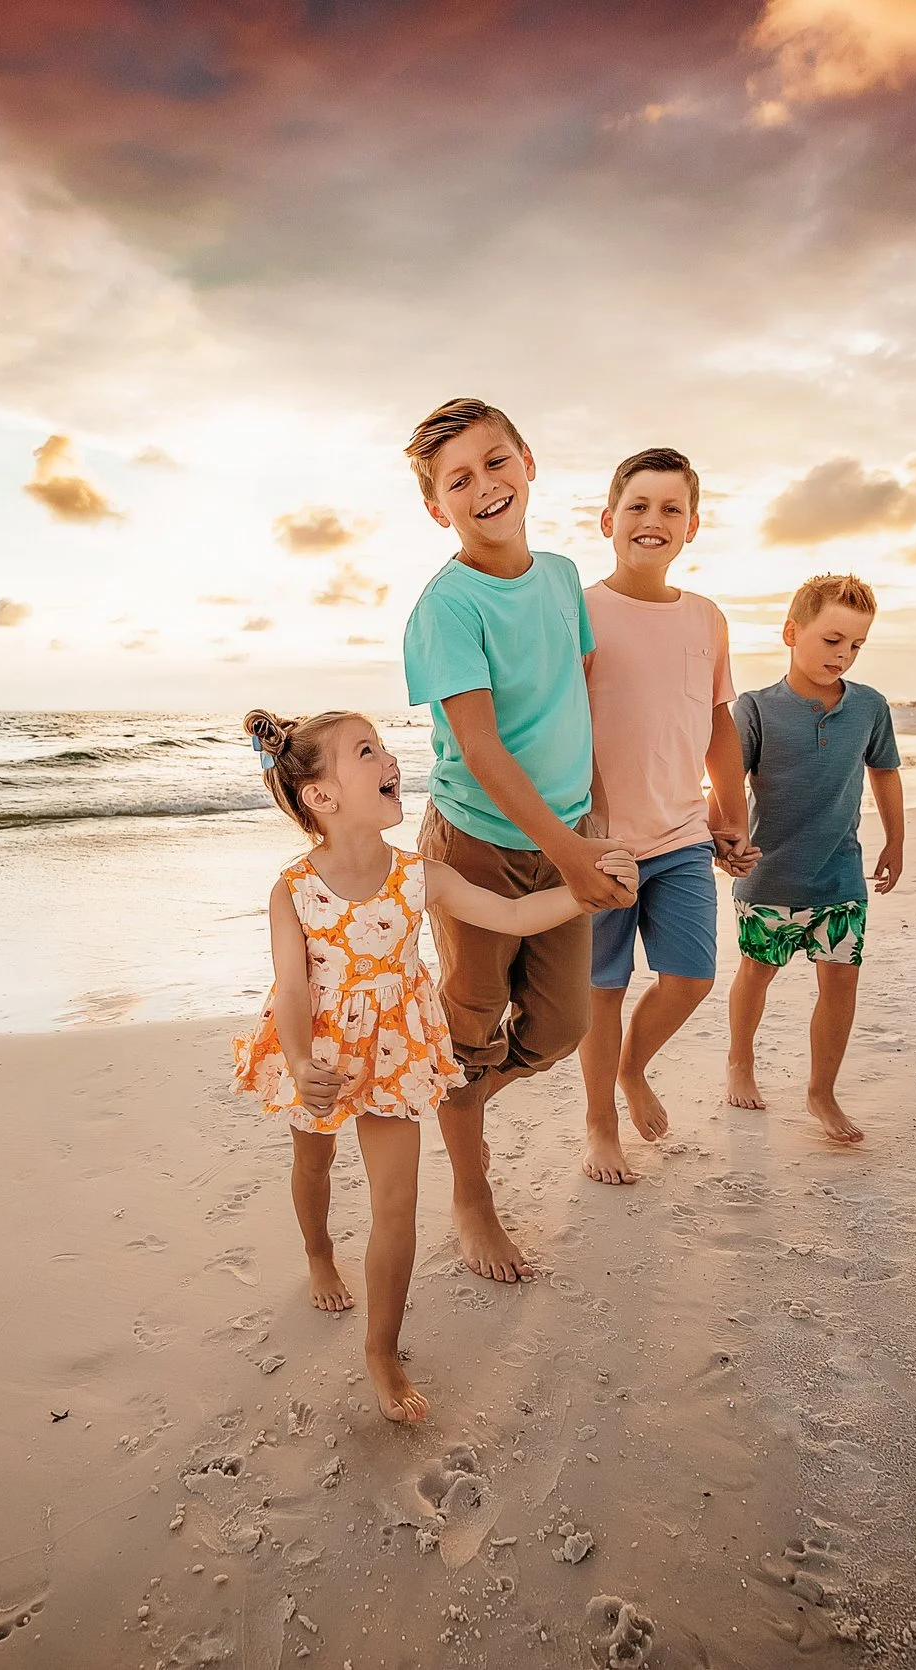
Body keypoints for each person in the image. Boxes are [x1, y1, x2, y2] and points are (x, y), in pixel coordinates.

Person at [232, 708, 635, 1422]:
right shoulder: (291, 889)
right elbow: (292, 986)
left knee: (395, 1206)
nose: (388, 758)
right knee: (315, 1167)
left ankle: (381, 1353)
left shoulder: (422, 875)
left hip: (393, 1053)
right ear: (320, 797)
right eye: (365, 751)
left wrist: (590, 888)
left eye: (383, 746)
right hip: (319, 1052)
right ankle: (319, 1251)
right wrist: (298, 1059)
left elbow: (510, 917)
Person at [399, 397, 637, 1283]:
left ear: (528, 462)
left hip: (569, 832)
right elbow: (484, 750)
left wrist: (596, 824)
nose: (485, 487)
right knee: (468, 1028)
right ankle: (473, 1192)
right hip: (476, 848)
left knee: (564, 1026)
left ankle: (458, 1096)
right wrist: (570, 854)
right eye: (459, 481)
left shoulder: (565, 577)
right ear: (438, 509)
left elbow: (576, 708)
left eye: (496, 463)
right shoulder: (448, 607)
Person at [575, 446, 754, 1184]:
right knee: (602, 988)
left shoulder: (707, 619)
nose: (654, 521)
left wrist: (732, 816)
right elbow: (563, 724)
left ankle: (632, 1068)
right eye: (639, 507)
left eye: (671, 509)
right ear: (608, 520)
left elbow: (717, 724)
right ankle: (599, 1123)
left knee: (691, 977)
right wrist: (582, 826)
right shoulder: (580, 611)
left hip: (682, 832)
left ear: (693, 527)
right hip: (602, 842)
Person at [723, 574, 905, 1144]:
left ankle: (821, 1092)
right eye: (831, 641)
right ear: (791, 632)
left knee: (841, 983)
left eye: (855, 645)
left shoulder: (870, 707)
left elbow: (885, 772)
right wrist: (723, 838)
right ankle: (739, 1061)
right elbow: (724, 786)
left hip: (840, 876)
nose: (843, 655)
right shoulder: (753, 709)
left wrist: (895, 840)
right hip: (768, 877)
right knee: (757, 973)